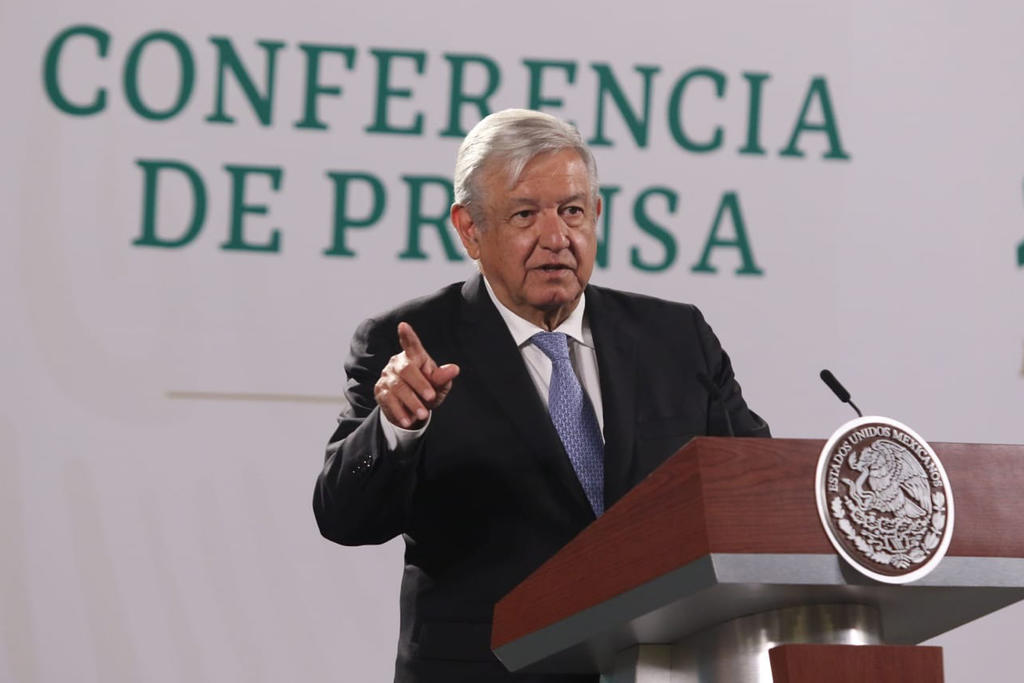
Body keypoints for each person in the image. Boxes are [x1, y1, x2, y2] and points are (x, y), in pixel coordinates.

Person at [313, 109, 770, 683]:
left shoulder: (676, 338)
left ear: (596, 215)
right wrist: (396, 428)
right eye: (525, 214)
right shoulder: (410, 343)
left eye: (572, 211)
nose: (556, 239)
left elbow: (757, 491)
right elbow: (344, 517)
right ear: (469, 229)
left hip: (660, 667)